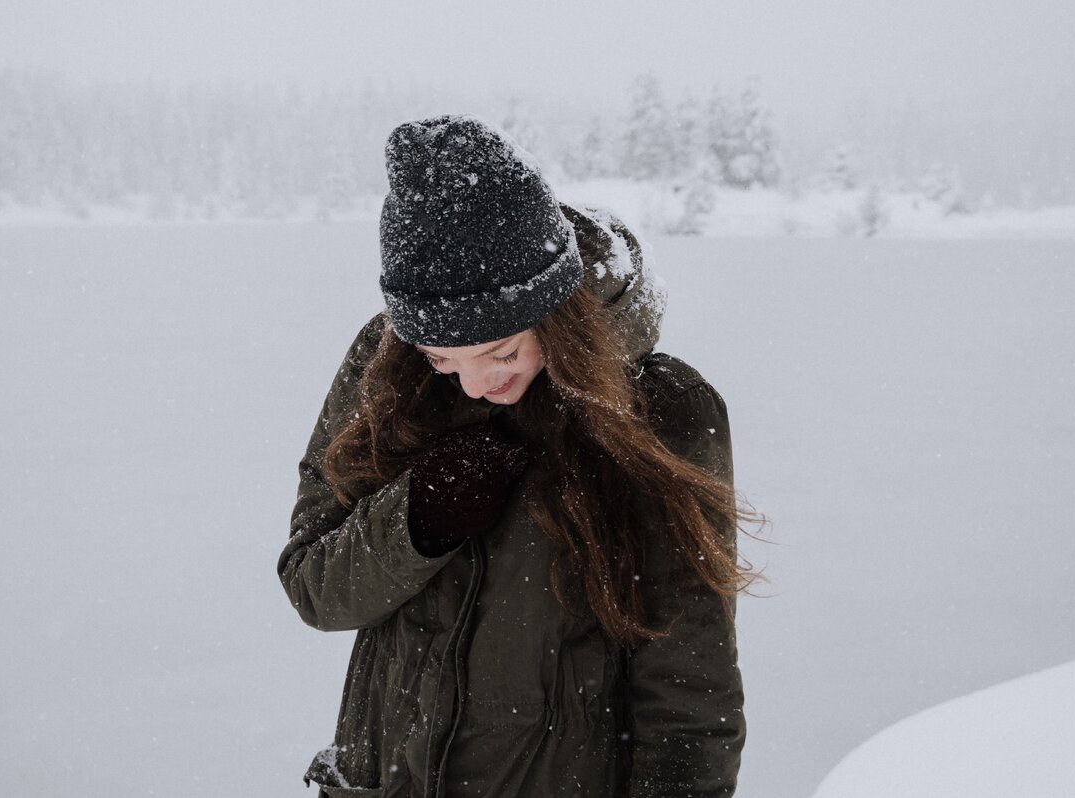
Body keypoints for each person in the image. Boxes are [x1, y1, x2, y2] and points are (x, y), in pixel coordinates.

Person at [278, 114, 753, 797]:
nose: (476, 382)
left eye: (502, 352)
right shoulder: (385, 367)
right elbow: (313, 588)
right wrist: (416, 521)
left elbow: (689, 701)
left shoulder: (662, 410)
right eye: (444, 358)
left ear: (558, 312)